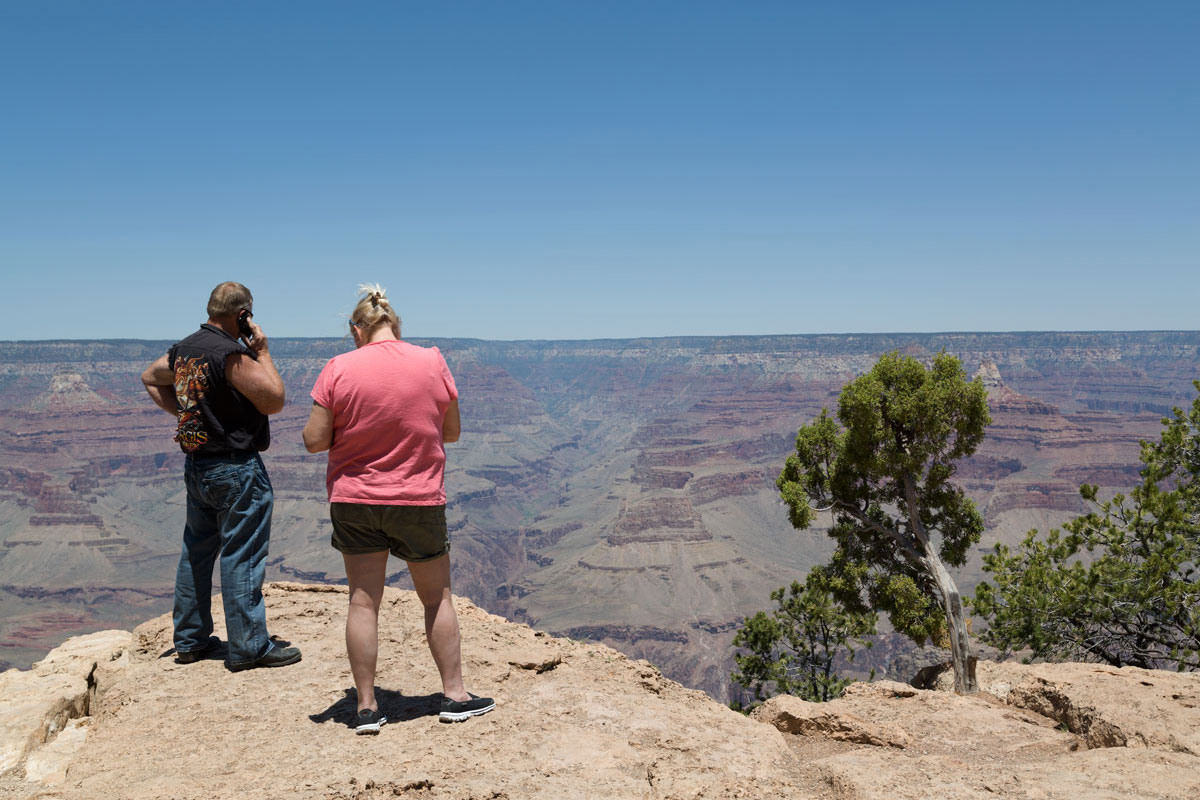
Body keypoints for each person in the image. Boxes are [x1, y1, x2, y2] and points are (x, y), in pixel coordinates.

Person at [302, 284, 493, 734]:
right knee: (436, 598)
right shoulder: (432, 361)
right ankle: (455, 696)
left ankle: (366, 708)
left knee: (363, 603)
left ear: (357, 329)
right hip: (417, 498)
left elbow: (314, 441)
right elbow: (452, 432)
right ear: (395, 323)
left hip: (355, 500)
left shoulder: (337, 368)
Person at [141, 281, 302, 671]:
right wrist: (261, 351)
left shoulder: (184, 348)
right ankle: (249, 646)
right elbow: (274, 399)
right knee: (241, 554)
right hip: (235, 468)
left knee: (195, 552)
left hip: (197, 465)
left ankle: (190, 640)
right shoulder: (230, 353)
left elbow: (149, 376)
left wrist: (188, 416)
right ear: (242, 315)